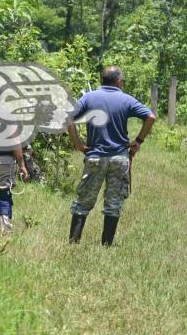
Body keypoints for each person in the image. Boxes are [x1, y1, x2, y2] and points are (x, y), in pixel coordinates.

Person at [67, 66, 156, 246]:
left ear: (102, 80)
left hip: (95, 157)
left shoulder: (89, 97)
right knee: (113, 203)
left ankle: (73, 243)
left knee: (83, 202)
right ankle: (106, 245)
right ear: (119, 82)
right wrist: (138, 141)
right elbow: (151, 117)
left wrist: (78, 144)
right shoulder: (126, 99)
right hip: (119, 158)